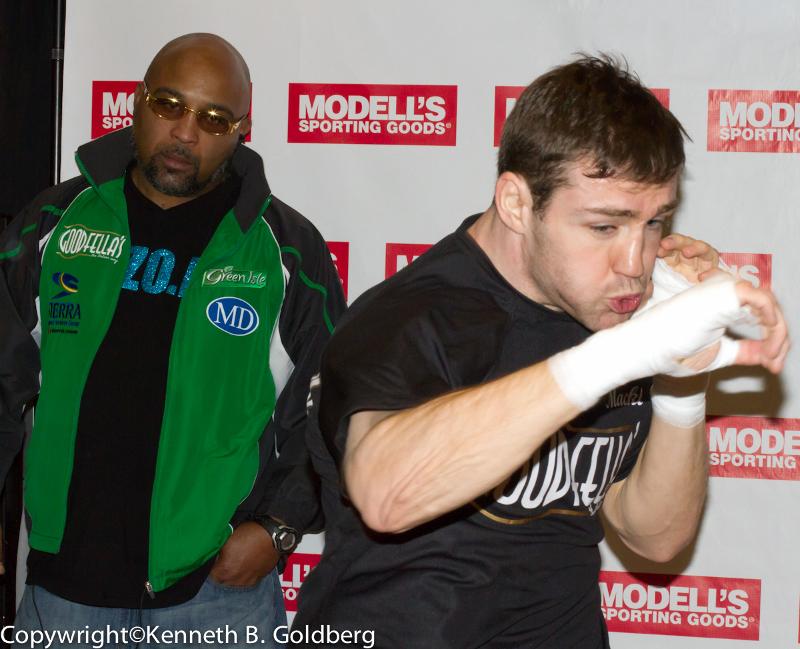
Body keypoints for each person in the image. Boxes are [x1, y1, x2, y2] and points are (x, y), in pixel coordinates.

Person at [293, 56, 789, 648]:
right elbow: (385, 496)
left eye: (654, 223)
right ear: (516, 203)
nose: (635, 264)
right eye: (604, 227)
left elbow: (655, 538)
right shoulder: (408, 317)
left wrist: (683, 377)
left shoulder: (611, 313)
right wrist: (623, 354)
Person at [0, 33, 345, 646]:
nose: (185, 132)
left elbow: (333, 405)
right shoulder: (53, 224)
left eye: (213, 119)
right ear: (137, 102)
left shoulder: (287, 251)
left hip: (216, 598)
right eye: (168, 105)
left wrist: (279, 526)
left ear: (242, 130)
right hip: (64, 591)